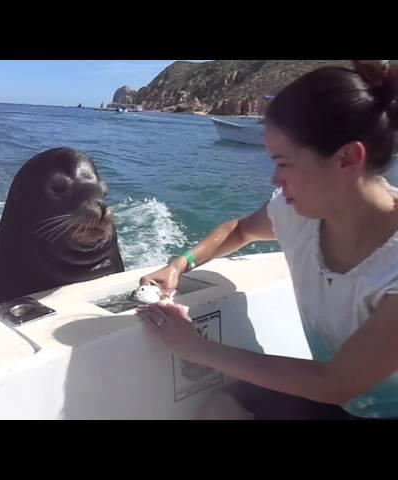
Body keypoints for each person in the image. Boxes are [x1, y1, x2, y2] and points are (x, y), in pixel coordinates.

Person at [136, 60, 398, 420]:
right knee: (221, 408)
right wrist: (181, 264)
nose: (275, 179)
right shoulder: (298, 215)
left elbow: (336, 382)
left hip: (349, 396)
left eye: (284, 163)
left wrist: (195, 348)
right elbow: (241, 230)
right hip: (338, 406)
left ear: (347, 158)